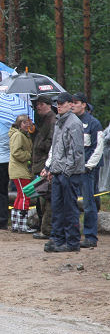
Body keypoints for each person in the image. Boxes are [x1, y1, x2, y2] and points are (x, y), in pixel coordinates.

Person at [41, 92, 85, 252]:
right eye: (57, 103)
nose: (58, 105)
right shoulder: (59, 122)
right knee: (57, 207)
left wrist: (65, 171)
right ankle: (58, 239)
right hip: (59, 172)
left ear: (70, 104)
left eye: (61, 103)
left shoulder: (74, 123)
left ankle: (72, 242)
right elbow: (56, 148)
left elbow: (77, 152)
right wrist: (52, 168)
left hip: (70, 175)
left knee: (69, 208)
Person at [72, 92, 103, 248]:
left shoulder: (93, 123)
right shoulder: (70, 123)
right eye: (71, 102)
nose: (72, 105)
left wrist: (88, 166)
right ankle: (73, 235)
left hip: (87, 171)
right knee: (72, 203)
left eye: (76, 103)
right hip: (72, 170)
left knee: (89, 203)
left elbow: (99, 147)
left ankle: (91, 237)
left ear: (83, 104)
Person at [31, 95, 56, 240]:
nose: (37, 107)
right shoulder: (44, 120)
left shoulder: (52, 120)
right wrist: (33, 131)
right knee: (41, 198)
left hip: (46, 165)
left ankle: (47, 229)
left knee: (46, 198)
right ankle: (44, 227)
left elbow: (52, 144)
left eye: (40, 104)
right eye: (36, 104)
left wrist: (48, 167)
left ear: (48, 104)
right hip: (40, 165)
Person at [8, 114, 36, 233]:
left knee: (20, 195)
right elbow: (16, 152)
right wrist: (29, 156)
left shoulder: (24, 135)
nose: (27, 124)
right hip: (19, 170)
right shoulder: (18, 135)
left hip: (20, 169)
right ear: (19, 124)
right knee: (25, 195)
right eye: (24, 123)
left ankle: (16, 224)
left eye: (28, 122)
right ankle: (23, 225)